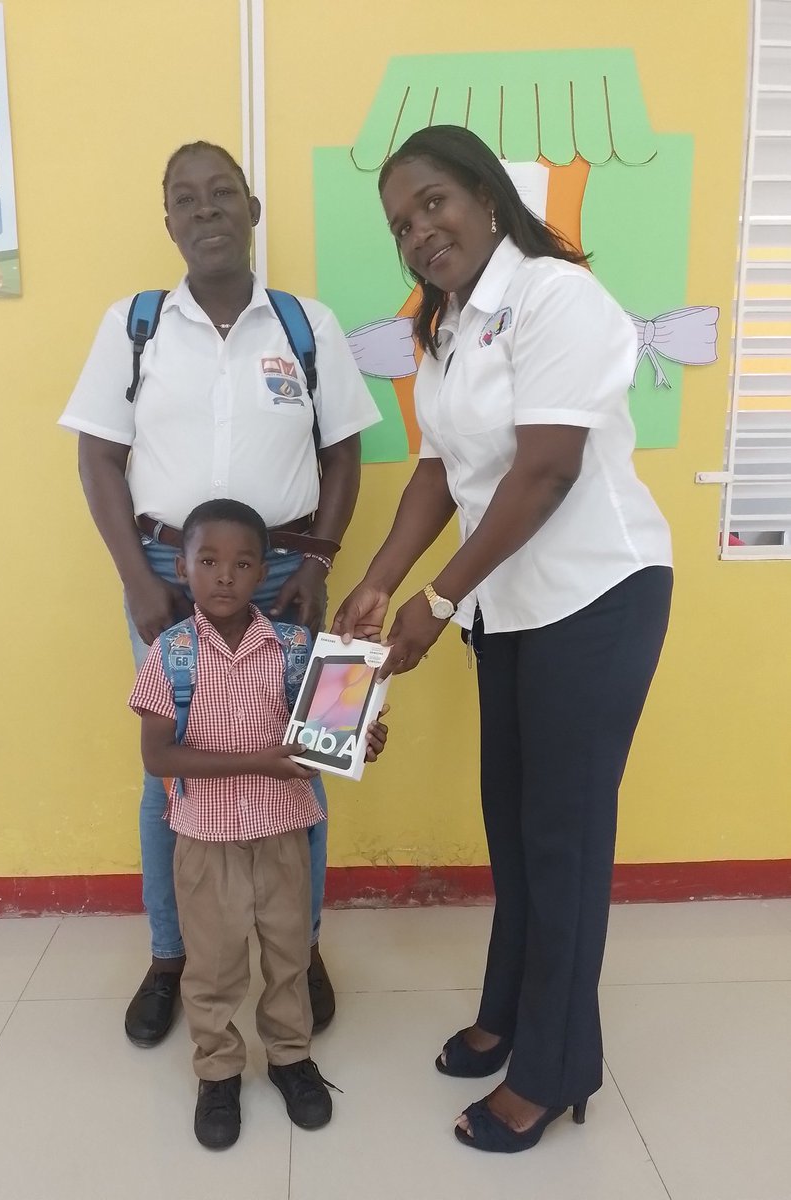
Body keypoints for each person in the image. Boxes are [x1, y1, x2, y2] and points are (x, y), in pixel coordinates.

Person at [333, 125, 673, 1154]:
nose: (419, 231)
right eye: (401, 223)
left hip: (597, 595)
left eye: (433, 202)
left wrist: (432, 604)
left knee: (563, 840)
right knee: (516, 827)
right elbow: (441, 471)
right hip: (512, 606)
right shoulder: (446, 325)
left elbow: (545, 470)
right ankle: (510, 1015)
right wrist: (381, 579)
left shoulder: (556, 296)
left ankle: (555, 1067)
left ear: (485, 195)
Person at [59, 140, 380, 1048]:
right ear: (168, 220)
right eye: (186, 199)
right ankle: (173, 957)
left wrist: (319, 564)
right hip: (169, 581)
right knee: (172, 777)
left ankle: (299, 945)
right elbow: (97, 457)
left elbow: (344, 451)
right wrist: (138, 584)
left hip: (290, 578)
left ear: (253, 211)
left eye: (223, 194)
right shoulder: (135, 323)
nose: (206, 211)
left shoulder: (303, 324)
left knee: (306, 758)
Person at [129, 500, 389, 1149]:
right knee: (212, 965)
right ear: (183, 567)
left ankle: (290, 1057)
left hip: (283, 835)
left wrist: (357, 737)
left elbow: (324, 738)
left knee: (288, 952)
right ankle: (218, 1071)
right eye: (208, 561)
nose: (224, 576)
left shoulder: (298, 649)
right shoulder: (170, 656)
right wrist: (259, 762)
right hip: (203, 842)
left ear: (262, 571)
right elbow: (157, 756)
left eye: (242, 563)